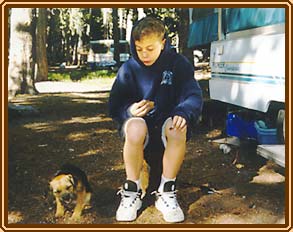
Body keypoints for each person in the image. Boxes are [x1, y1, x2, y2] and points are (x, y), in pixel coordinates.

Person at [109, 16, 203, 223]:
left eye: (150, 48)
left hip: (166, 125)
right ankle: (132, 191)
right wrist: (129, 109)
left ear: (163, 42)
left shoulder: (178, 64)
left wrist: (183, 112)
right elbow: (114, 105)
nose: (144, 54)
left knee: (177, 127)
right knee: (134, 126)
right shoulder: (129, 68)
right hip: (140, 129)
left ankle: (167, 191)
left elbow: (193, 95)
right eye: (139, 48)